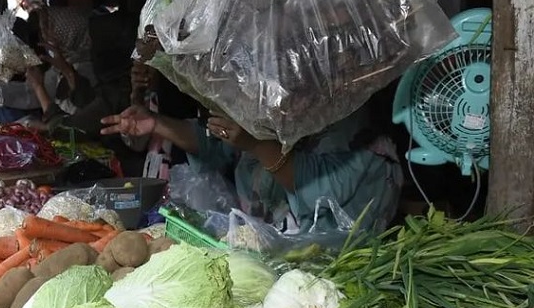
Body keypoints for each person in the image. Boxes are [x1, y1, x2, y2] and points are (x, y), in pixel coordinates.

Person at [101, 104, 403, 233]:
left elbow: (320, 189)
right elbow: (215, 145)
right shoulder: (275, 109)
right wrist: (157, 123)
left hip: (331, 278)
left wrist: (256, 145)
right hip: (269, 258)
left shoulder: (357, 130)